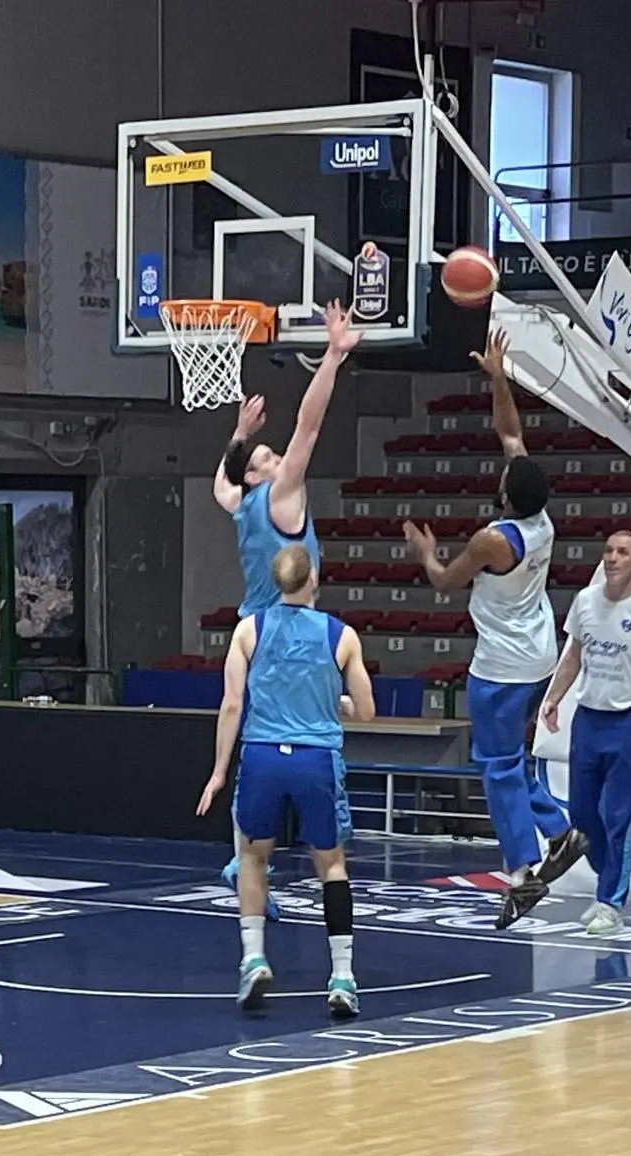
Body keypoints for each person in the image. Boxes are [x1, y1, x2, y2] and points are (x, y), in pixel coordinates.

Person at [401, 327, 572, 929]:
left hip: (500, 666)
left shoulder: (492, 539)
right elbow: (511, 434)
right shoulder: (541, 520)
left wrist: (425, 551)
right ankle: (557, 829)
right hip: (539, 656)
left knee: (496, 767)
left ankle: (521, 874)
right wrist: (499, 378)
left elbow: (446, 583)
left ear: (505, 493)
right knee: (514, 760)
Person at [212, 300, 363, 900]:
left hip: (254, 626)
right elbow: (309, 425)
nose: (278, 459)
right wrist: (332, 355)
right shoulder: (280, 497)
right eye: (266, 460)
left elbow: (222, 481)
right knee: (310, 732)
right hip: (284, 628)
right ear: (260, 477)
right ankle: (270, 856)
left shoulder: (238, 502)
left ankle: (244, 858)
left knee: (253, 738)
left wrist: (240, 436)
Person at [195, 543, 376, 1017]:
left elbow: (232, 704)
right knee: (331, 865)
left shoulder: (248, 631)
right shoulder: (342, 636)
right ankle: (342, 975)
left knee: (253, 858)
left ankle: (253, 957)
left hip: (262, 757)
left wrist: (217, 772)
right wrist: (335, 704)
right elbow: (368, 710)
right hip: (316, 759)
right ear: (312, 578)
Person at [536, 531, 631, 935]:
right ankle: (606, 882)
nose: (614, 558)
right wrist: (552, 698)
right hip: (588, 720)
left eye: (623, 552)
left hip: (627, 723)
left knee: (618, 818)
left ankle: (610, 902)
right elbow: (574, 655)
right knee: (583, 818)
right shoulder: (585, 601)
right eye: (609, 551)